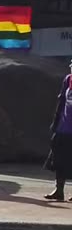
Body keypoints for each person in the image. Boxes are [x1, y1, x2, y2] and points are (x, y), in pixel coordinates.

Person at [44, 59, 72, 201]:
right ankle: (58, 190)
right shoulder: (68, 80)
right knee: (59, 159)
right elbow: (61, 101)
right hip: (64, 128)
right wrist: (55, 123)